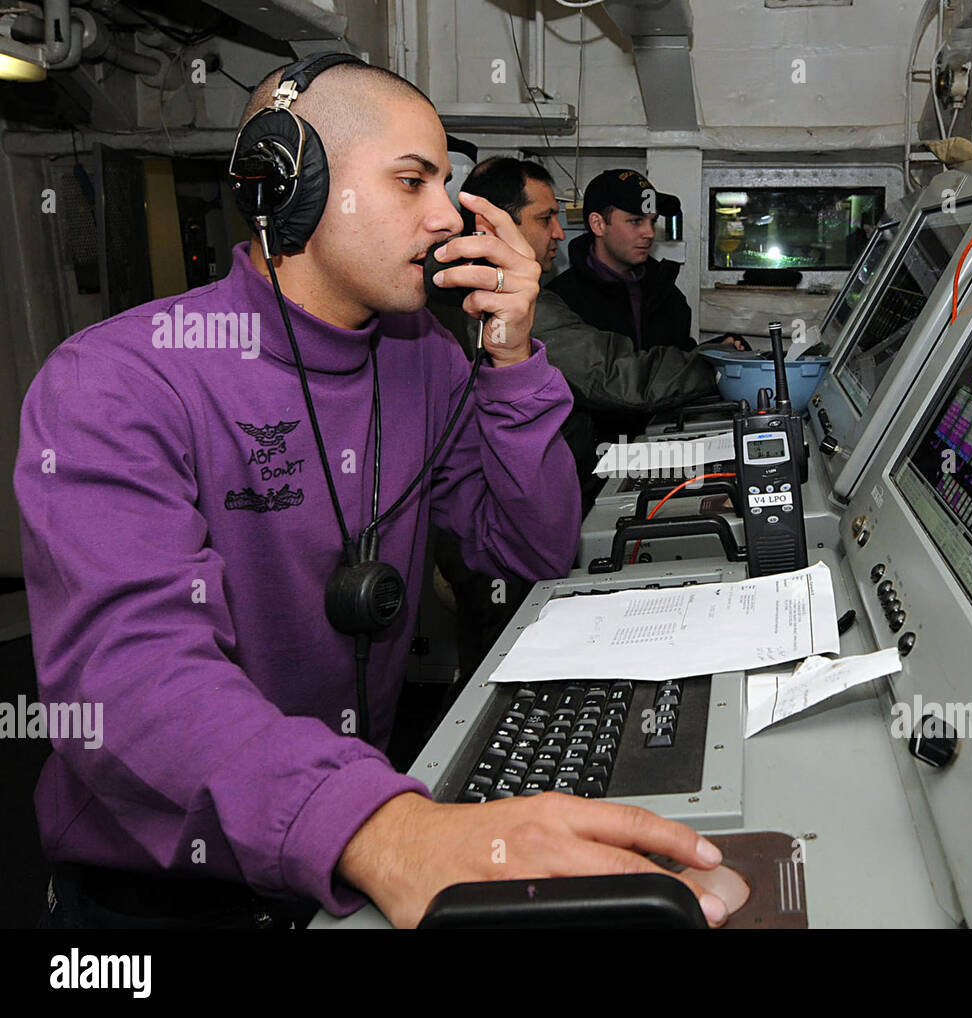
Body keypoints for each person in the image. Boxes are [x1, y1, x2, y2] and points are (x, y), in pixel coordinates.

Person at [14, 57, 731, 930]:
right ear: (292, 187)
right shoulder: (117, 381)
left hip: (354, 830)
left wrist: (511, 360)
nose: (447, 217)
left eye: (448, 183)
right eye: (412, 181)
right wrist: (386, 832)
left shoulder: (421, 358)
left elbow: (531, 551)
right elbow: (132, 685)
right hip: (171, 895)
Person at [447, 157, 742, 509]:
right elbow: (615, 375)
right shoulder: (509, 303)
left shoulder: (664, 293)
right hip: (544, 494)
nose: (558, 231)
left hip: (566, 479)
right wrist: (721, 366)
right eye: (545, 218)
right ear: (490, 225)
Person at [549, 168, 696, 356]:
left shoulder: (666, 294)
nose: (649, 233)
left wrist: (711, 354)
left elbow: (681, 362)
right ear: (598, 224)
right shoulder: (562, 301)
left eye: (652, 221)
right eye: (636, 221)